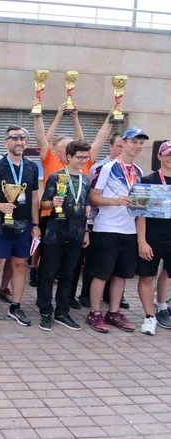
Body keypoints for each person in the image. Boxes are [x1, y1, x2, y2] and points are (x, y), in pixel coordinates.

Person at [31, 105, 112, 288]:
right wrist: (58, 114)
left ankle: (67, 299)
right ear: (59, 151)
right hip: (52, 219)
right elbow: (42, 138)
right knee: (49, 264)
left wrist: (110, 114)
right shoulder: (50, 161)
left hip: (76, 221)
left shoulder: (84, 164)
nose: (73, 151)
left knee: (72, 266)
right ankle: (42, 294)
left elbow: (96, 140)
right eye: (66, 148)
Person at [0, 126, 40, 327]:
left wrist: (36, 224)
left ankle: (15, 306)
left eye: (22, 138)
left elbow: (34, 198)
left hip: (24, 224)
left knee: (20, 265)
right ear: (6, 142)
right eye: (14, 138)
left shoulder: (32, 167)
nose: (19, 142)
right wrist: (0, 206)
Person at [86, 127, 146, 333]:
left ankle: (113, 312)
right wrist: (115, 201)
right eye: (134, 142)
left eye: (141, 143)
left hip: (129, 230)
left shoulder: (139, 171)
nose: (137, 146)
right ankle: (95, 312)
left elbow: (141, 206)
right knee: (101, 273)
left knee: (121, 274)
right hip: (107, 228)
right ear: (124, 143)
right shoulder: (108, 168)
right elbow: (93, 197)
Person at [37, 140, 91, 331]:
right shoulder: (56, 177)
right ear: (69, 157)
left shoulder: (86, 180)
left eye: (86, 157)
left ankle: (62, 311)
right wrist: (52, 203)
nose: (83, 161)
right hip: (55, 232)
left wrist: (86, 232)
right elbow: (43, 203)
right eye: (79, 157)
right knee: (49, 273)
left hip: (77, 232)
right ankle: (45, 311)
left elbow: (85, 206)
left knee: (69, 274)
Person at [77, 133, 126, 308]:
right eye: (119, 146)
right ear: (111, 146)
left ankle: (111, 295)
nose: (122, 149)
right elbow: (90, 195)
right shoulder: (100, 167)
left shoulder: (131, 169)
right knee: (95, 262)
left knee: (116, 262)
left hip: (121, 222)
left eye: (124, 146)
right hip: (97, 220)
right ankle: (86, 294)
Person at [135, 141, 171, 335]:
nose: (170, 158)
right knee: (147, 275)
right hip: (152, 237)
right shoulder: (146, 180)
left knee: (167, 273)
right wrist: (142, 241)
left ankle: (162, 306)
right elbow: (139, 213)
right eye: (167, 154)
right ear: (159, 156)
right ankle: (149, 316)